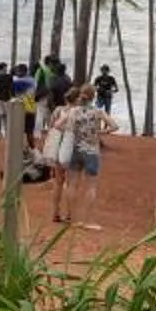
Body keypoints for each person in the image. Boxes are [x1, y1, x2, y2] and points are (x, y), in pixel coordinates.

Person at [47, 86, 120, 226]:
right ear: (93, 97)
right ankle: (87, 220)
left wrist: (69, 131)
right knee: (91, 186)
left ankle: (72, 218)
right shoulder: (97, 112)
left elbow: (56, 125)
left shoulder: (73, 111)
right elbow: (114, 126)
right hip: (91, 150)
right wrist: (99, 132)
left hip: (75, 149)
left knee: (72, 184)